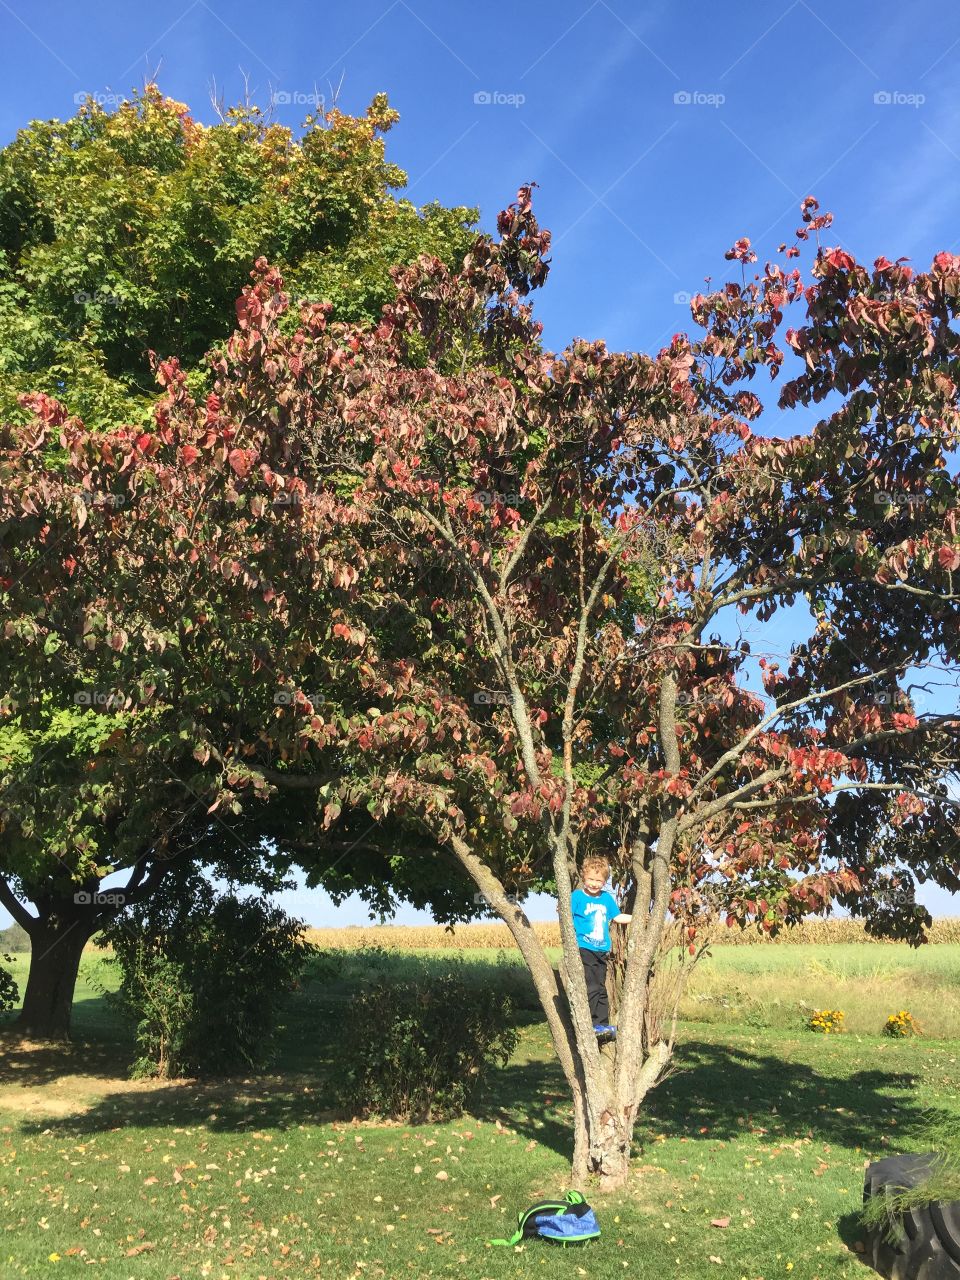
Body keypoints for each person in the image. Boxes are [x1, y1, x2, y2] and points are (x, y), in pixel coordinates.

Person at [570, 856, 631, 1037]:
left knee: (601, 988)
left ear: (605, 881)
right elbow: (566, 915)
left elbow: (617, 917)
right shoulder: (577, 896)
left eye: (599, 881)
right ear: (583, 876)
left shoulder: (606, 898)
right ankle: (587, 1023)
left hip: (601, 949)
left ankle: (601, 1025)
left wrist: (637, 917)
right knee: (591, 986)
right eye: (591, 879)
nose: (594, 884)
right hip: (585, 947)